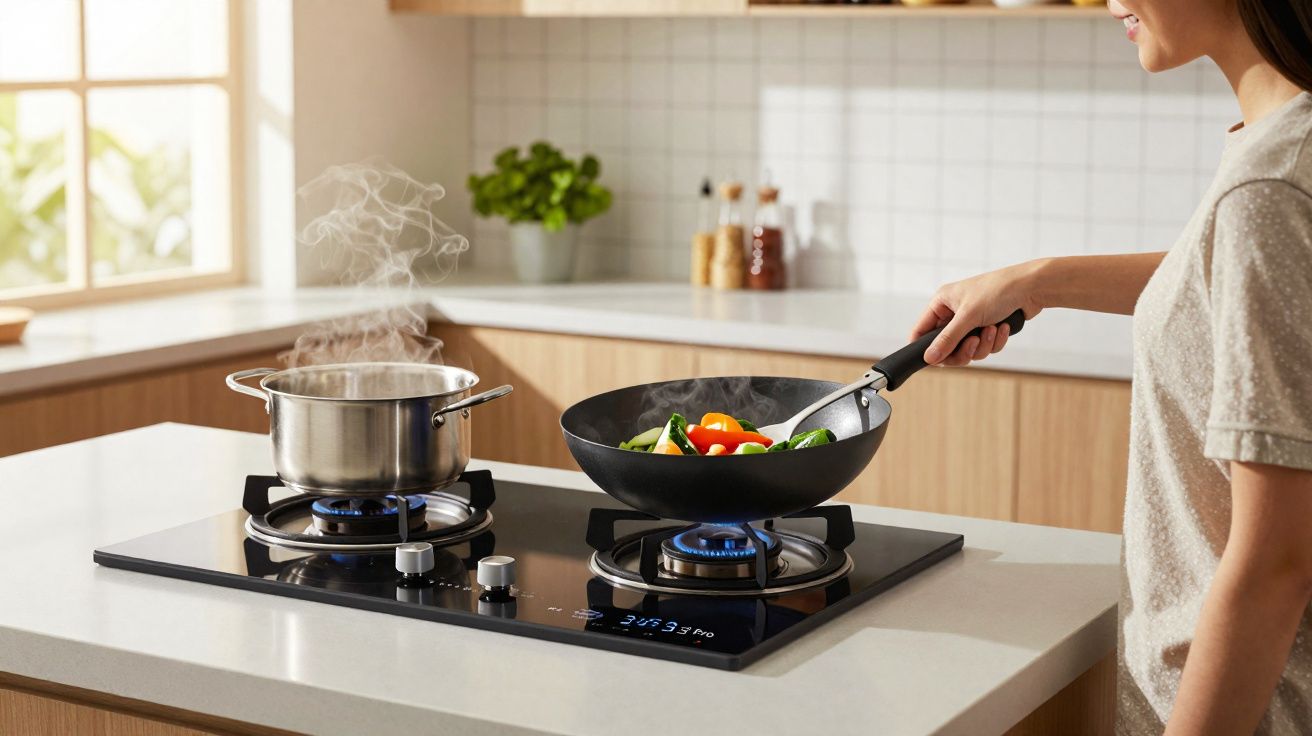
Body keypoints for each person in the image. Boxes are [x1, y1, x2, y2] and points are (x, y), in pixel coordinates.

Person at [909, 1, 1312, 733]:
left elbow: (1276, 565)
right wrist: (1041, 281)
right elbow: (1225, 278)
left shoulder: (1272, 186)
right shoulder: (1284, 147)